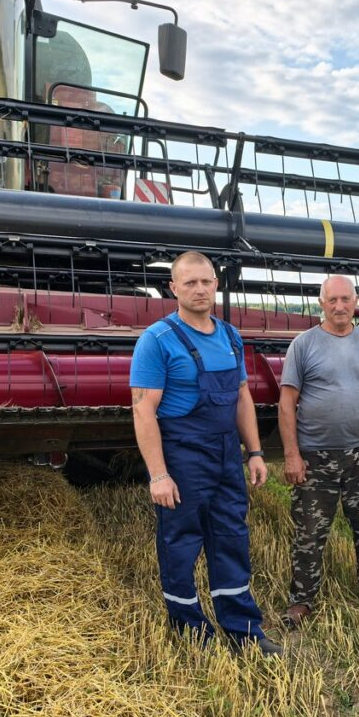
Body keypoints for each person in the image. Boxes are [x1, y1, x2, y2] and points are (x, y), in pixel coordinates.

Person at [130, 251, 281, 656]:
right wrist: (158, 475)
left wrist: (254, 451)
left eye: (207, 281)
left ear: (217, 285)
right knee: (181, 542)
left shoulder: (230, 336)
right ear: (173, 288)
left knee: (232, 537)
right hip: (183, 454)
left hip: (226, 454)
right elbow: (143, 409)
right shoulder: (157, 340)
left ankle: (243, 629)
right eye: (190, 282)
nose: (200, 289)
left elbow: (242, 397)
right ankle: (191, 630)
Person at [279, 275, 359, 629]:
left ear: (355, 301)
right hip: (315, 458)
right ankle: (302, 600)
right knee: (310, 532)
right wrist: (291, 455)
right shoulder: (303, 345)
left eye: (346, 299)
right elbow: (287, 405)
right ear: (321, 303)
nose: (340, 306)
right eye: (332, 300)